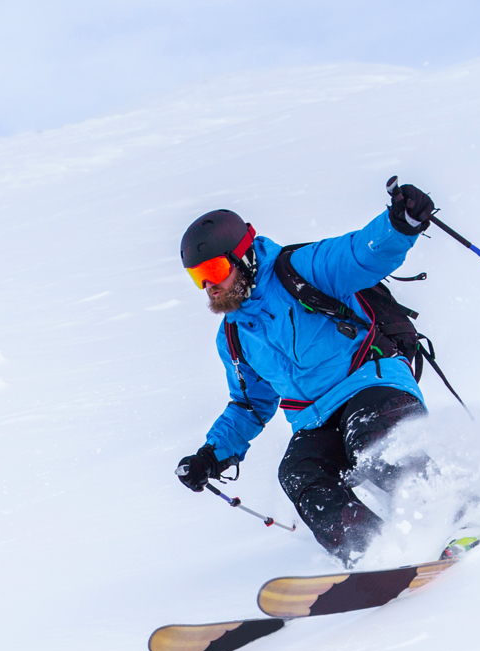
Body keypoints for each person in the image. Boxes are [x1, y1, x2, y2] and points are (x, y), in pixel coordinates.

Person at [176, 183, 435, 565]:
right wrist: (211, 455)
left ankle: (455, 511)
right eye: (198, 277)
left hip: (373, 383)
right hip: (316, 418)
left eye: (214, 269)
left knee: (371, 438)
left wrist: (400, 224)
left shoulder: (300, 271)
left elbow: (359, 254)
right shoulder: (234, 335)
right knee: (298, 471)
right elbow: (250, 405)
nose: (209, 285)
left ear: (244, 257)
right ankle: (375, 553)